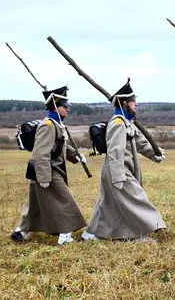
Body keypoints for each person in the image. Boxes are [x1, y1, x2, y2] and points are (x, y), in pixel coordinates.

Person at [82, 78, 166, 242]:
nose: (136, 104)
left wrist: (156, 154)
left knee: (108, 204)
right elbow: (115, 152)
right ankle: (142, 232)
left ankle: (92, 233)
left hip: (124, 169)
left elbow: (141, 143)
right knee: (136, 200)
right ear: (123, 104)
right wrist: (118, 176)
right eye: (132, 101)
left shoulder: (128, 122)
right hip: (119, 170)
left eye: (135, 100)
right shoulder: (118, 123)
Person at [10, 86, 87, 245]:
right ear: (55, 107)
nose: (68, 109)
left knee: (36, 206)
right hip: (48, 171)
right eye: (64, 106)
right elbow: (40, 153)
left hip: (51, 169)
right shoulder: (48, 125)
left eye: (68, 106)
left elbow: (62, 146)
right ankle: (65, 237)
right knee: (65, 202)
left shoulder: (57, 124)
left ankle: (21, 233)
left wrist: (76, 156)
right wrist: (44, 177)